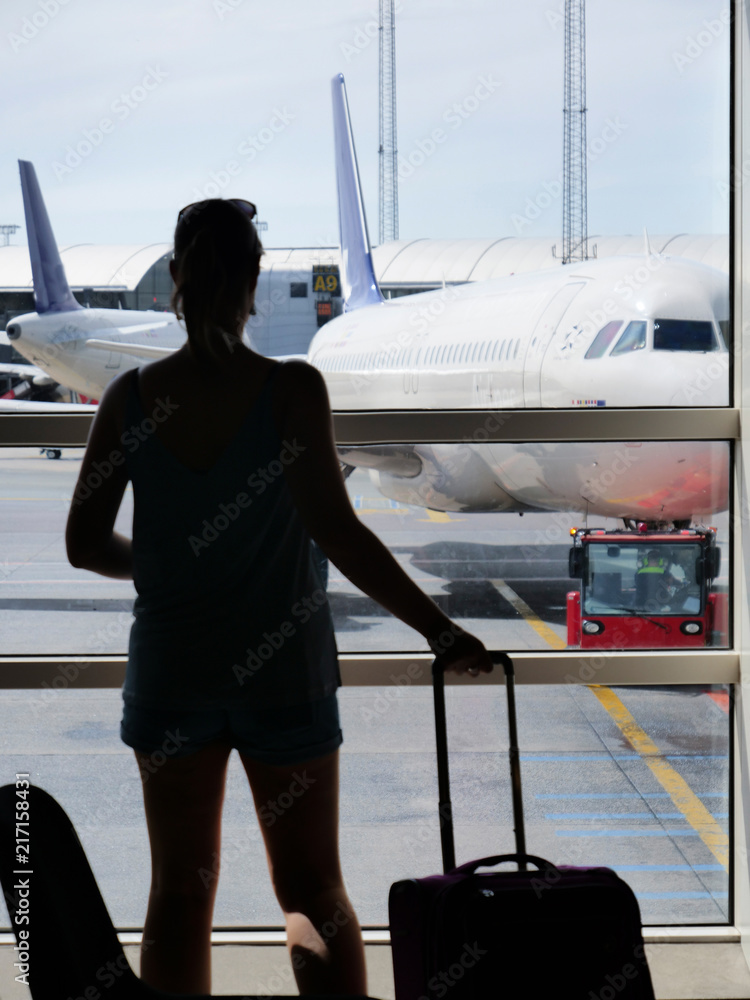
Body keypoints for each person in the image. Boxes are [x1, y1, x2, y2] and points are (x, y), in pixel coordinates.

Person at [65, 198, 493, 996]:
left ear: (177, 280)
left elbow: (83, 544)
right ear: (254, 282)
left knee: (179, 894)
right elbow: (342, 534)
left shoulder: (129, 398)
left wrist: (166, 569)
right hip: (284, 679)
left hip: (171, 678)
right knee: (311, 894)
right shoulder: (293, 391)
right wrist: (440, 631)